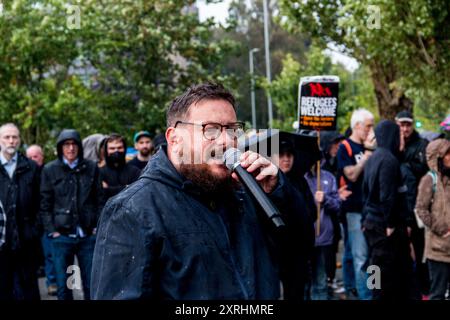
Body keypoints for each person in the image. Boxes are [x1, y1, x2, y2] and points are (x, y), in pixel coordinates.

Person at [91, 82, 307, 300]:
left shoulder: (246, 192)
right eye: (210, 130)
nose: (226, 141)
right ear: (175, 139)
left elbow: (301, 247)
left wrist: (278, 191)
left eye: (232, 130)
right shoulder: (133, 211)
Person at [40, 129, 103, 300]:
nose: (71, 148)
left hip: (87, 237)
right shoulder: (50, 170)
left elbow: (99, 200)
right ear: (60, 147)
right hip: (62, 238)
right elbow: (45, 204)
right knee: (65, 286)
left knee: (91, 284)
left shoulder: (91, 168)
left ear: (79, 147)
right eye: (66, 144)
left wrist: (97, 226)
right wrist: (52, 231)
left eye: (74, 144)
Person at [362, 120, 417, 300]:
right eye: (398, 134)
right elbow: (387, 196)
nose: (401, 138)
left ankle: (375, 293)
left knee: (379, 265)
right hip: (385, 226)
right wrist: (391, 223)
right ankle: (376, 295)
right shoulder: (388, 160)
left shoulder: (374, 158)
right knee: (382, 269)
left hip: (374, 222)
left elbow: (366, 192)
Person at [336, 108, 374, 300]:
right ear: (357, 126)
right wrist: (366, 157)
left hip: (372, 210)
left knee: (373, 256)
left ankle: (374, 291)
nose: (370, 130)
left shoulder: (371, 147)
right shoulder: (346, 147)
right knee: (361, 258)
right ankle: (364, 296)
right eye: (368, 125)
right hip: (355, 211)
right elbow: (350, 174)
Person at [271, 138, 315, 301]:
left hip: (298, 251)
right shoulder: (265, 182)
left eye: (289, 155)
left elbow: (311, 213)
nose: (286, 159)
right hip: (275, 251)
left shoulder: (300, 181)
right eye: (281, 155)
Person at [0, 123, 41, 300]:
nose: (11, 141)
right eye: (7, 137)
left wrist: (35, 229)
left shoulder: (31, 168)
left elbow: (41, 201)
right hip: (1, 242)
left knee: (28, 290)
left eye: (15, 137)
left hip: (27, 240)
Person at [395, 110, 430, 297]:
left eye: (408, 125)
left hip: (408, 212)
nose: (405, 129)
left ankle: (421, 289)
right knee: (373, 263)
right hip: (381, 221)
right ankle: (373, 291)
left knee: (418, 251)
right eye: (401, 125)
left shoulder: (420, 146)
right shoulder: (384, 156)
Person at [415, 139, 450, 300]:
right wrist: (441, 229)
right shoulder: (429, 180)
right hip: (438, 249)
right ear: (438, 157)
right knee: (438, 293)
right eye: (448, 154)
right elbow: (420, 209)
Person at [304, 162, 341, 300]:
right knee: (304, 285)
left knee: (320, 282)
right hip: (305, 239)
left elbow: (338, 205)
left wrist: (325, 199)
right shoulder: (301, 178)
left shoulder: (329, 178)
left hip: (323, 237)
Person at [26, 144, 58, 297]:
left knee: (52, 253)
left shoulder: (50, 171)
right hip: (32, 222)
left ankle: (54, 283)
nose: (33, 159)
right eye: (30, 157)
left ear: (42, 156)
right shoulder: (25, 173)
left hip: (50, 219)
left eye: (35, 156)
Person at [99, 134, 141, 201]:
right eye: (112, 148)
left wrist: (109, 189)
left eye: (119, 148)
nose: (116, 151)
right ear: (106, 151)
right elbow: (99, 195)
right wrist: (126, 187)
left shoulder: (135, 171)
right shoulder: (99, 172)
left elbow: (138, 193)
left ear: (124, 149)